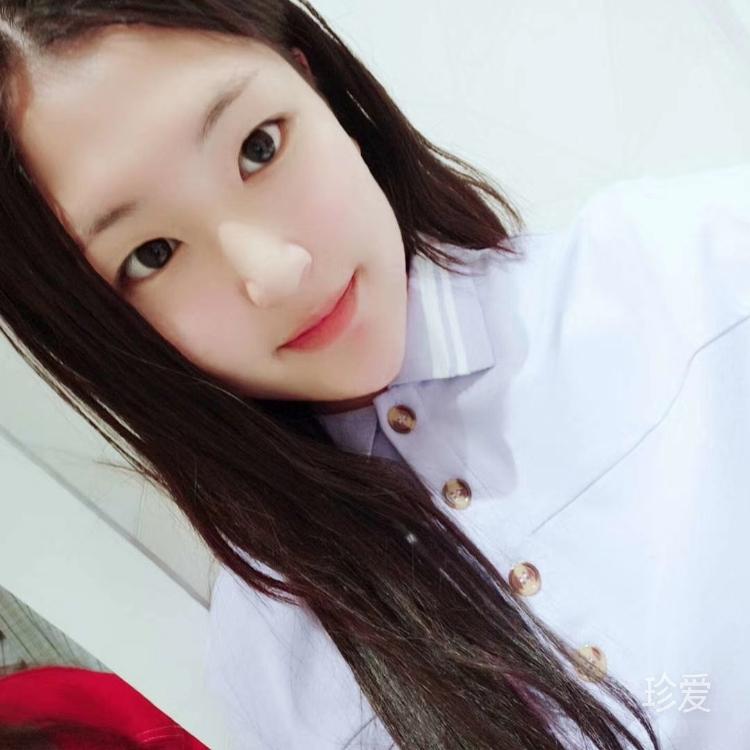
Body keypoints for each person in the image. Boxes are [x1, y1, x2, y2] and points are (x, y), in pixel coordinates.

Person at [0, 1, 746, 748]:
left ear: (316, 87)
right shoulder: (271, 654)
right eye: (153, 255)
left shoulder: (694, 277)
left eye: (259, 147)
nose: (277, 273)